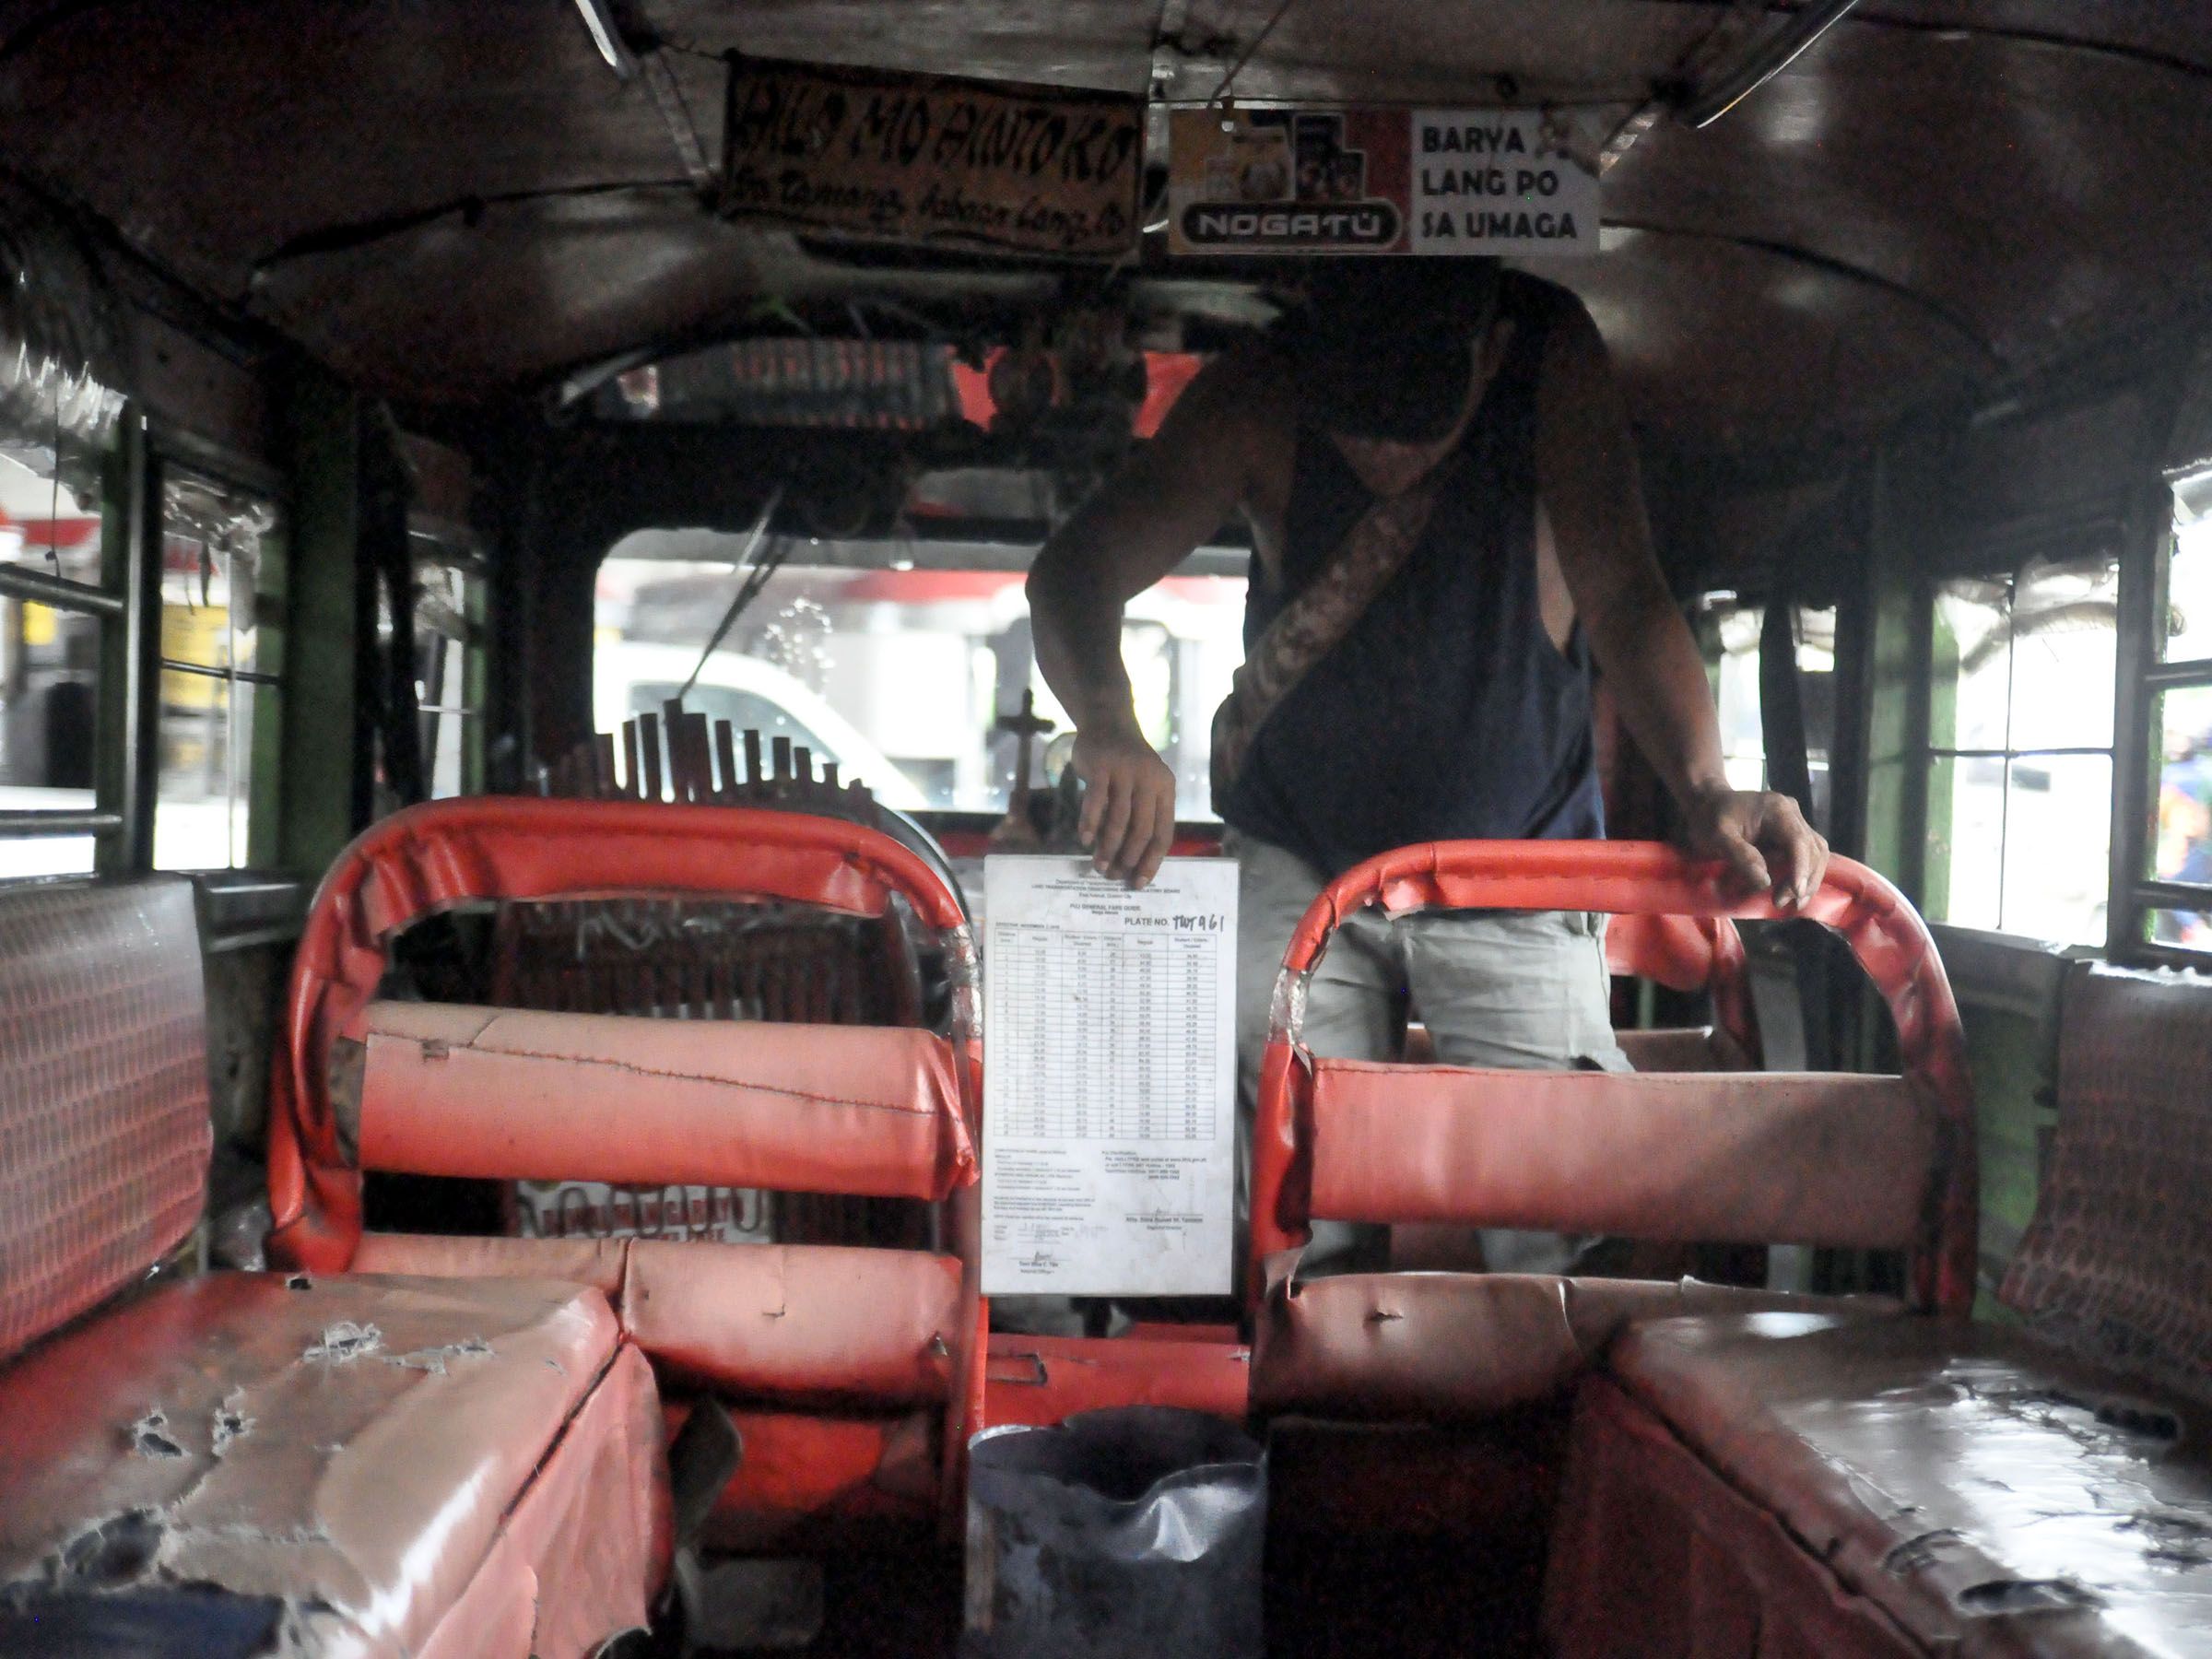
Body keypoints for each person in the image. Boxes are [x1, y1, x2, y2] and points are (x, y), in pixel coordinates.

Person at [1024, 259, 1828, 1276]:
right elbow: (1074, 571)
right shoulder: (1255, 392)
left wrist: (1708, 789)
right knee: (1293, 1197)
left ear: (1477, 340)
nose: (1378, 448)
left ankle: (1539, 1402)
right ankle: (1312, 1389)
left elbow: (1624, 589)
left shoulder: (1552, 361)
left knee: (1554, 1209)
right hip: (1298, 851)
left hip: (1519, 855)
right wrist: (1107, 724)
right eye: (1354, 420)